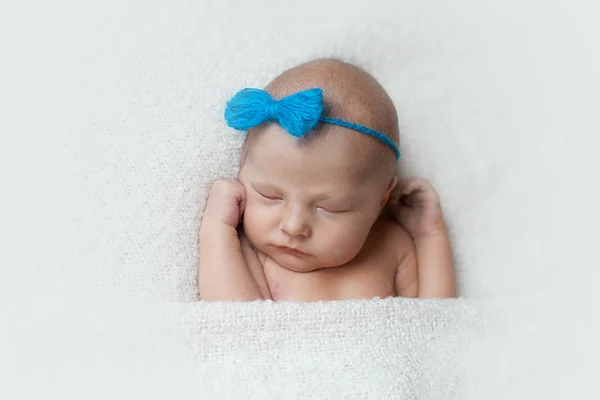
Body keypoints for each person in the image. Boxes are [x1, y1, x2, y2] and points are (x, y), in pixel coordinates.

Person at [198, 58, 455, 301]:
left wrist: (429, 235)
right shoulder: (255, 251)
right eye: (270, 195)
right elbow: (235, 319)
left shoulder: (391, 246)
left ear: (381, 201)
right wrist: (218, 225)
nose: (293, 225)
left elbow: (437, 320)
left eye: (330, 208)